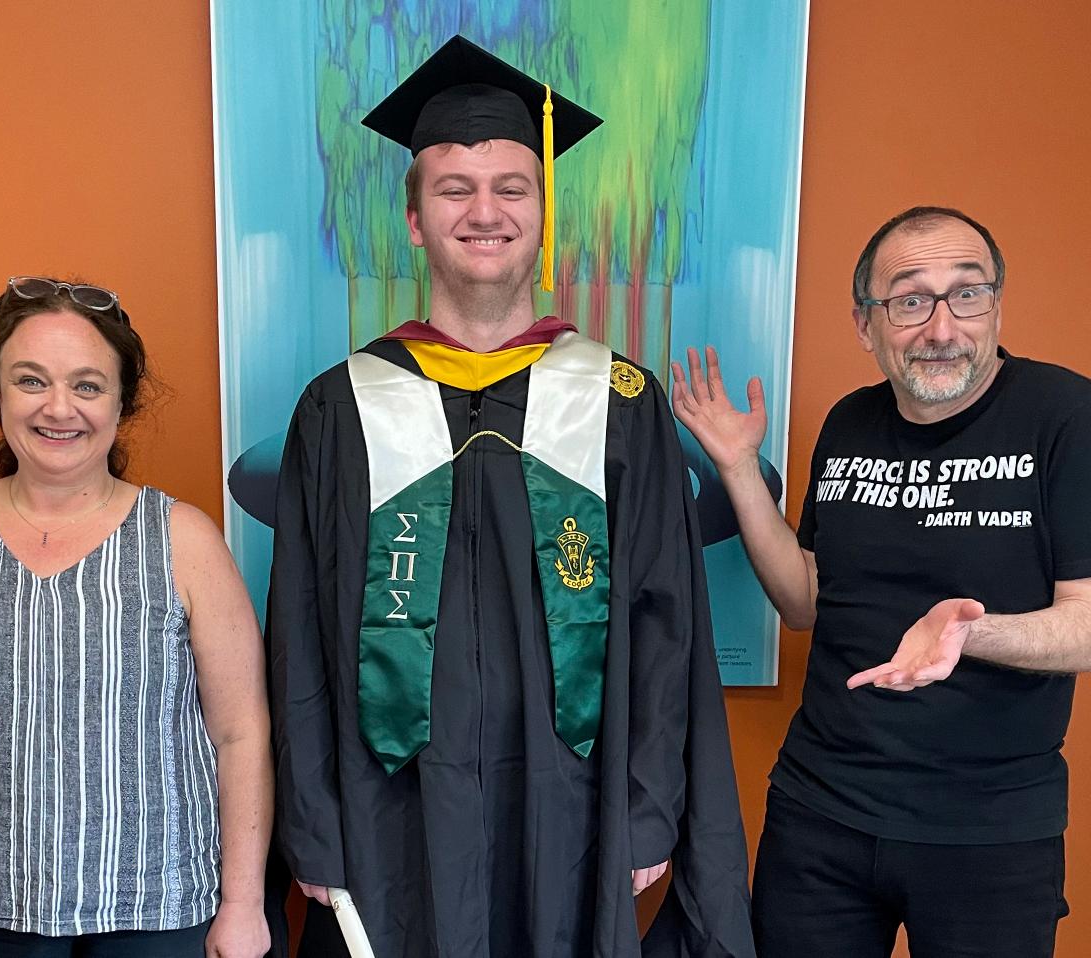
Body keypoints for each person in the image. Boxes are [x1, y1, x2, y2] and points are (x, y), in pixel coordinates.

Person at [267, 35, 755, 958]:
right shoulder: (340, 407)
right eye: (454, 189)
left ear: (540, 212)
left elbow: (666, 623)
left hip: (573, 806)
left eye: (510, 188)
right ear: (414, 219)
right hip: (387, 809)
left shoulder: (618, 401)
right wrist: (313, 819)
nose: (484, 211)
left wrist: (647, 806)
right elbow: (297, 629)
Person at [672, 206, 1091, 957]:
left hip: (988, 833)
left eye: (967, 294)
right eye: (909, 300)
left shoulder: (1069, 416)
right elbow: (804, 602)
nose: (941, 327)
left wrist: (968, 633)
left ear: (995, 306)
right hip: (819, 815)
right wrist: (736, 468)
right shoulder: (850, 422)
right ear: (866, 325)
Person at [0, 277, 273, 958]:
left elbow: (240, 733)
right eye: (31, 380)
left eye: (87, 385)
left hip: (160, 910)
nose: (59, 408)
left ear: (122, 401)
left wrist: (243, 905)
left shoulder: (183, 539)